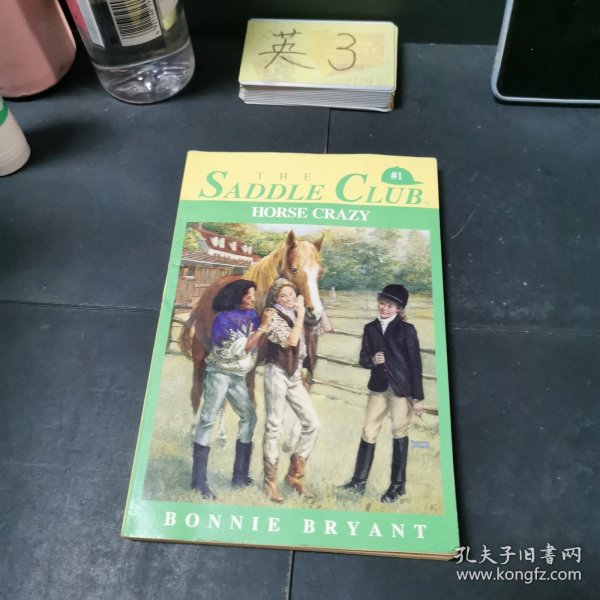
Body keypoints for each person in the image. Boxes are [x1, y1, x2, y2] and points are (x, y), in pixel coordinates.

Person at [340, 284, 424, 502]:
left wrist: (417, 397)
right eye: (382, 304)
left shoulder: (407, 330)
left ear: (398, 309)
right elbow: (363, 358)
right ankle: (358, 481)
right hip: (378, 387)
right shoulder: (370, 328)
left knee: (399, 430)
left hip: (401, 390)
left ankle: (397, 486)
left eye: (390, 305)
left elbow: (415, 364)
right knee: (368, 430)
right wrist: (372, 360)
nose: (384, 308)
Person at [191, 279, 273, 499]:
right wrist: (263, 327)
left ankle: (240, 475)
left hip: (237, 376)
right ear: (237, 297)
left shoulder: (252, 315)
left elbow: (257, 343)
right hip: (220, 374)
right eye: (248, 296)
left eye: (254, 295)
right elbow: (244, 348)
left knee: (249, 417)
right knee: (207, 420)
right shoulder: (223, 319)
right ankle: (198, 481)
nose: (253, 299)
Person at [262, 278, 321, 503]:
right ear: (276, 298)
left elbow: (313, 334)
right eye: (283, 295)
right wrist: (301, 315)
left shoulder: (298, 314)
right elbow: (291, 341)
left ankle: (295, 476)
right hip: (277, 372)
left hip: (294, 375)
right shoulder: (272, 315)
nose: (288, 298)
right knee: (274, 426)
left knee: (312, 424)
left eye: (291, 294)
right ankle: (270, 483)